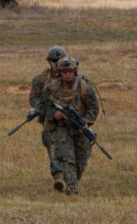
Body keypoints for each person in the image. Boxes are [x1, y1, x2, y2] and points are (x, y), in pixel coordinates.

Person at [39, 57, 99, 195]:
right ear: (60, 72)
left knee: (81, 159)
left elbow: (94, 108)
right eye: (65, 72)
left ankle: (72, 181)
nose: (68, 74)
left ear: (75, 71)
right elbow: (41, 106)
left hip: (80, 128)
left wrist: (86, 122)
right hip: (61, 128)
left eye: (70, 71)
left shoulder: (85, 88)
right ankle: (73, 191)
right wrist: (54, 114)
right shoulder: (51, 89)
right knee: (68, 158)